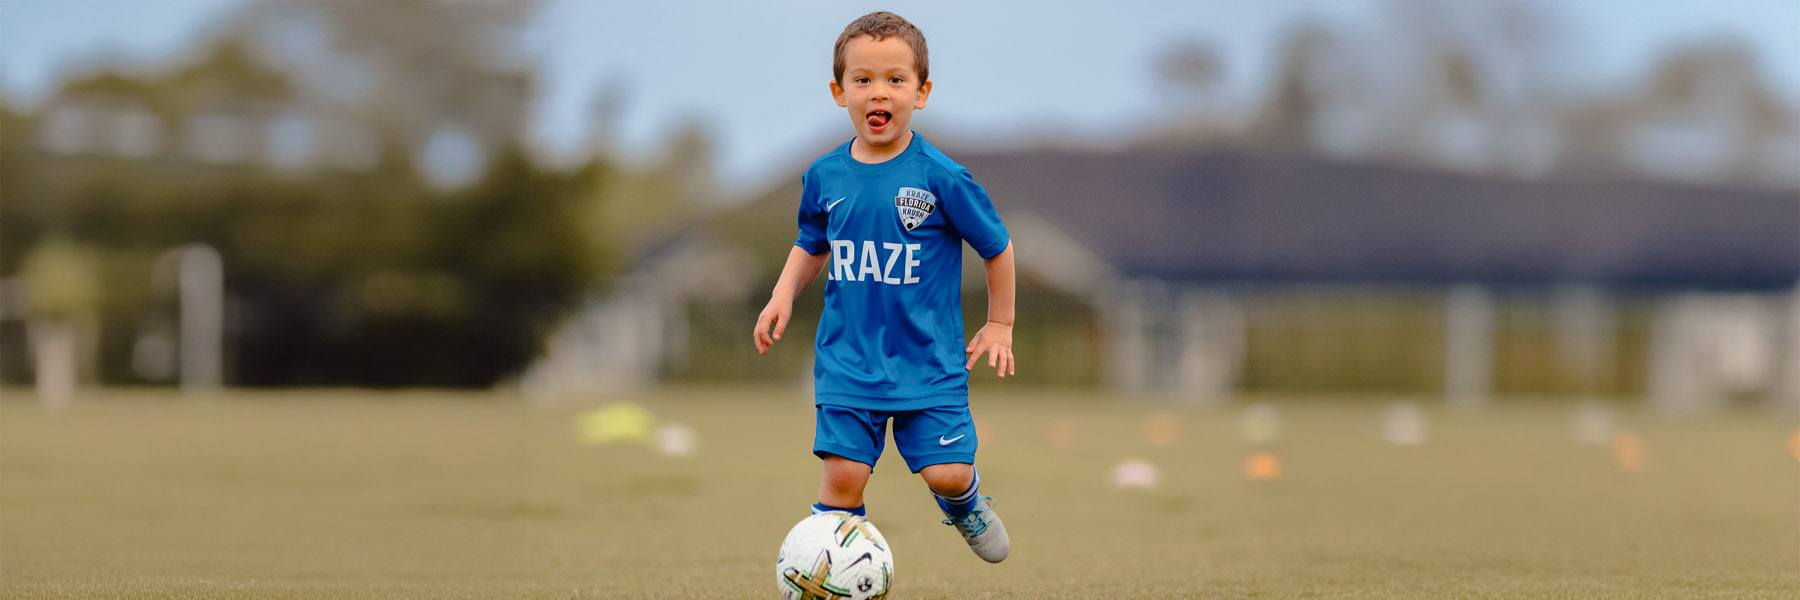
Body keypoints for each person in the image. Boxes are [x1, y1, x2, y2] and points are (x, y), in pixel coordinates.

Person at [752, 10, 1015, 563]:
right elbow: (811, 242)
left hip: (929, 361)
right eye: (863, 79)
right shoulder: (824, 176)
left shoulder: (942, 176)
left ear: (921, 93)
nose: (879, 92)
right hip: (848, 360)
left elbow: (997, 246)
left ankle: (963, 504)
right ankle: (832, 573)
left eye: (896, 79)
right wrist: (782, 294)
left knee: (947, 473)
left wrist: (1000, 323)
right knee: (843, 476)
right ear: (839, 91)